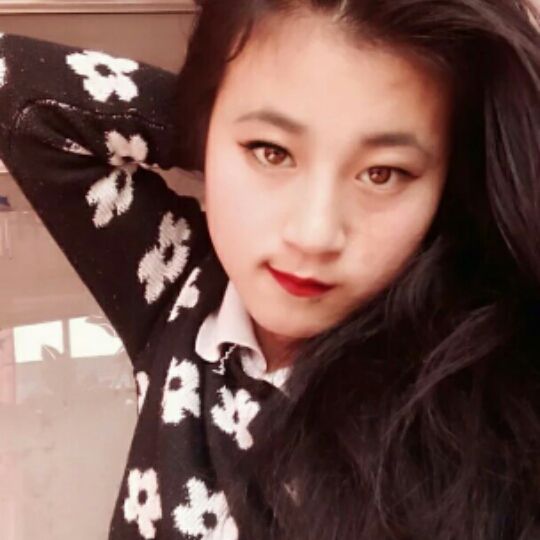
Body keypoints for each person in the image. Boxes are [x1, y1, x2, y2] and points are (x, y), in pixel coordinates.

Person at [0, 0, 539, 537]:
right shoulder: (179, 288)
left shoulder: (482, 405)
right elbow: (18, 94)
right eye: (270, 151)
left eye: (383, 173)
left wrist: (248, 123)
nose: (313, 235)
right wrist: (214, 113)